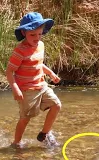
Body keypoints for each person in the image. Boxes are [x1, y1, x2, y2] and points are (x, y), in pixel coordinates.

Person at [6, 12, 62, 148]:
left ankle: (44, 134)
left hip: (41, 85)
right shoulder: (20, 51)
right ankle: (16, 143)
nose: (37, 38)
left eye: (40, 34)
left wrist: (51, 73)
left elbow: (38, 64)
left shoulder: (41, 45)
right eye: (32, 35)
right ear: (24, 33)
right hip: (27, 90)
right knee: (25, 119)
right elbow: (9, 71)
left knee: (56, 105)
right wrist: (15, 89)